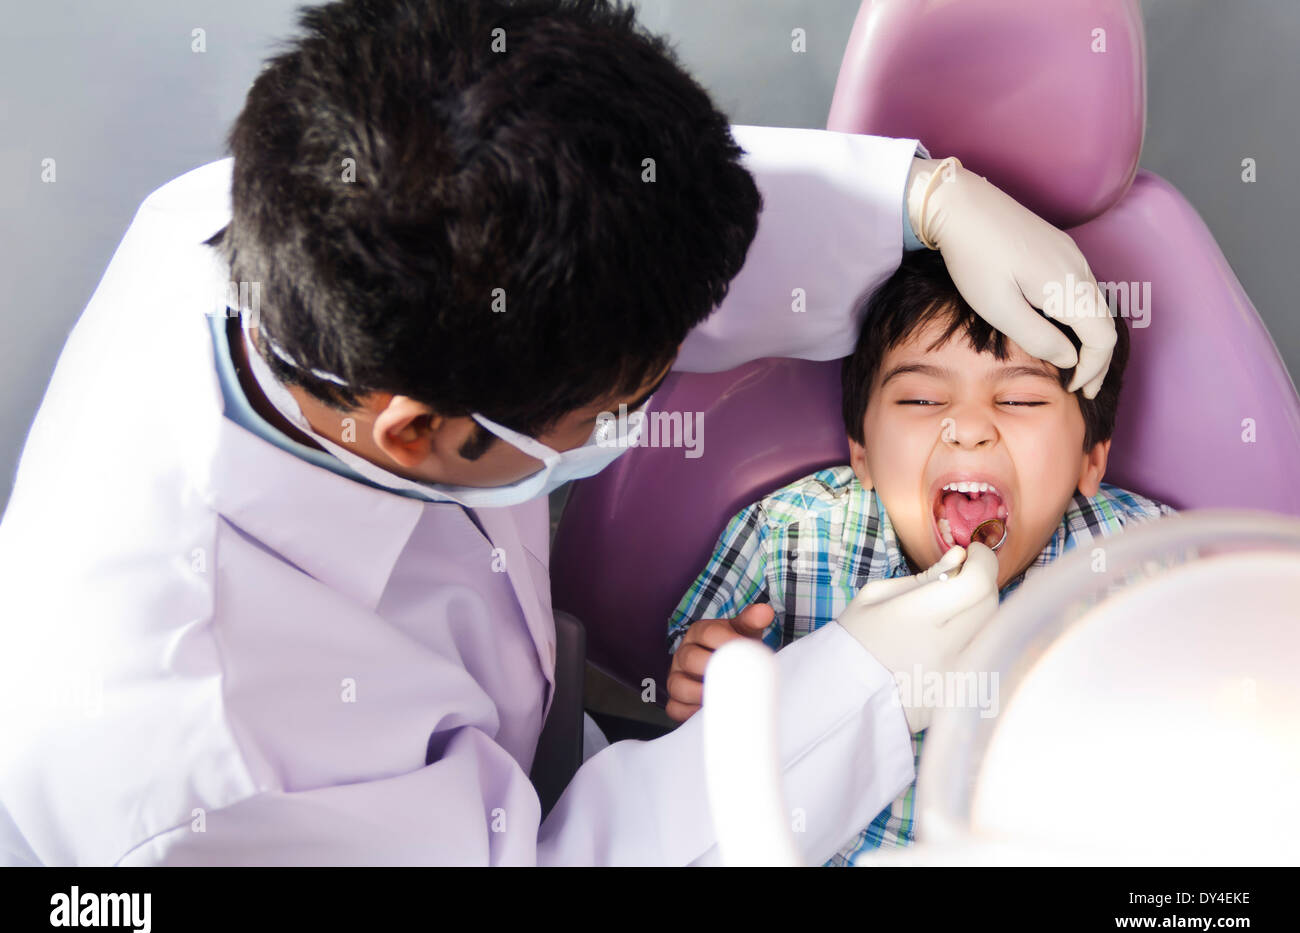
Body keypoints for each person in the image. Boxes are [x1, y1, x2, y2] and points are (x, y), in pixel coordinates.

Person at [0, 0, 1117, 865]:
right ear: (418, 433)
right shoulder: (206, 769)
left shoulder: (306, 205)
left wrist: (921, 201)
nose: (969, 426)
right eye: (624, 402)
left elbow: (581, 210)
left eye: (1022, 402)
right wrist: (858, 693)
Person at [666, 249, 1175, 863]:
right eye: (921, 401)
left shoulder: (1140, 556)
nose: (967, 427)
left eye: (1020, 401)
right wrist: (708, 672)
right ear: (862, 451)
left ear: (1090, 459)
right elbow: (694, 661)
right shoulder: (791, 534)